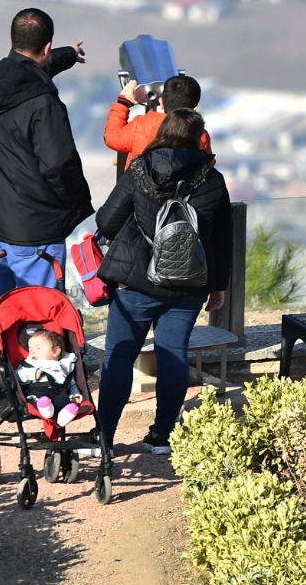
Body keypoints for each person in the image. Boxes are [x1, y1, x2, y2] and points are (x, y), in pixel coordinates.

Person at [0, 8, 94, 413]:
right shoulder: (44, 105)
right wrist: (76, 203)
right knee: (40, 312)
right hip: (35, 226)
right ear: (46, 47)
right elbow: (59, 165)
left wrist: (67, 57)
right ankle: (40, 394)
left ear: (12, 41)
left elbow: (28, 69)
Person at [94, 109, 232, 455]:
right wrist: (219, 285)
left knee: (120, 358)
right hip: (188, 285)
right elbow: (221, 239)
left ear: (163, 132)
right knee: (173, 356)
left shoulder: (139, 170)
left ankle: (105, 437)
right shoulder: (212, 180)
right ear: (199, 137)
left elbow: (107, 223)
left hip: (136, 283)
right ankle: (162, 437)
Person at [105, 73, 214, 173]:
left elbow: (112, 138)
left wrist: (123, 103)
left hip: (141, 192)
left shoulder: (141, 125)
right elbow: (208, 165)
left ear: (161, 102)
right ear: (195, 108)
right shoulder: (200, 134)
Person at [16, 328, 86, 429]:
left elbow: (71, 382)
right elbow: (18, 375)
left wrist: (74, 393)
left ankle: (62, 419)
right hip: (38, 393)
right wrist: (33, 373)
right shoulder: (29, 364)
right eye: (30, 350)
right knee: (41, 400)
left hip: (60, 393)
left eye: (38, 348)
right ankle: (46, 410)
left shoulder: (65, 364)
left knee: (65, 402)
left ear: (55, 351)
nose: (33, 352)